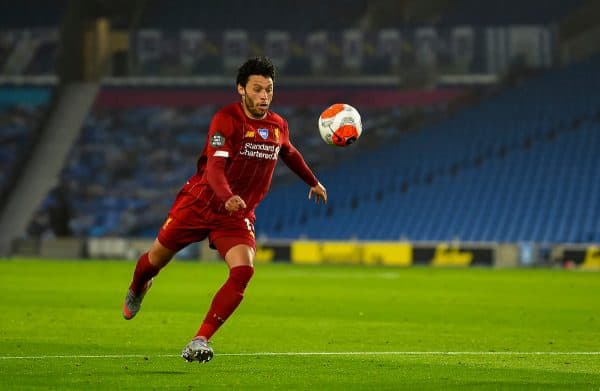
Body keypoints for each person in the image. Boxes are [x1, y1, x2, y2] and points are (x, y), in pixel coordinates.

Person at [122, 56, 327, 363]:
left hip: (237, 215)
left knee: (244, 270)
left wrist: (313, 182)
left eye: (269, 90)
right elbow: (215, 167)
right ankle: (138, 286)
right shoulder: (226, 119)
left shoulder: (278, 125)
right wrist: (227, 194)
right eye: (257, 89)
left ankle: (199, 339)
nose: (264, 96)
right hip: (201, 202)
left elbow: (290, 152)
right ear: (241, 90)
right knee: (154, 260)